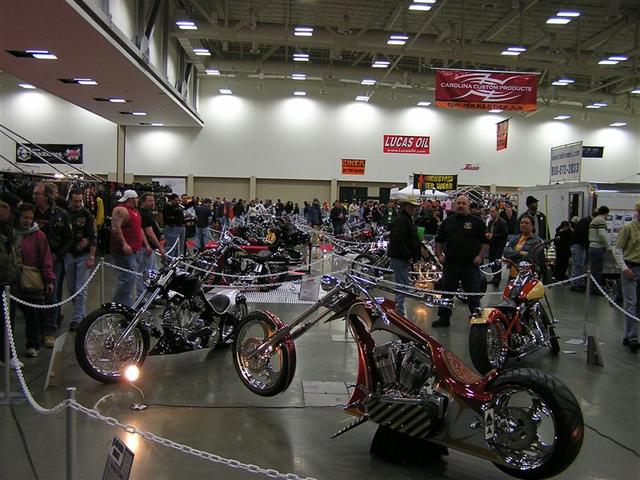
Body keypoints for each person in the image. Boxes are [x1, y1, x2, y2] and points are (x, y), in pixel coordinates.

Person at [433, 195, 489, 327]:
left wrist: (480, 257)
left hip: (470, 265)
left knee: (473, 293)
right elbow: (439, 240)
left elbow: (485, 242)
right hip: (451, 264)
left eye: (464, 203)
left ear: (468, 205)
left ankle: (476, 318)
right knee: (446, 293)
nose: (461, 205)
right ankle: (444, 318)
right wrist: (439, 256)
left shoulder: (477, 222)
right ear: (454, 205)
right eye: (459, 203)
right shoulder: (448, 221)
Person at [33, 182, 73, 341]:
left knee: (53, 294)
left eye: (38, 194)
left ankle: (49, 329)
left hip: (55, 260)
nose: (34, 196)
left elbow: (68, 238)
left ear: (47, 196)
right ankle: (37, 327)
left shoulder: (61, 214)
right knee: (35, 294)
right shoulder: (31, 213)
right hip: (33, 261)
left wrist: (59, 255)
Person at [14, 203, 56, 357]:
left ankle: (33, 344)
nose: (28, 221)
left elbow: (45, 258)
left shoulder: (39, 236)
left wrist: (49, 279)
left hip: (31, 279)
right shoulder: (11, 233)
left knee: (33, 314)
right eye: (25, 218)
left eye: (30, 218)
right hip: (13, 279)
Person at [110, 190, 151, 306]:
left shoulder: (135, 211)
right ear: (132, 199)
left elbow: (139, 229)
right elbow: (115, 228)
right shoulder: (121, 210)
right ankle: (118, 304)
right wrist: (124, 244)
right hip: (125, 252)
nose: (138, 200)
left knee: (131, 279)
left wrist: (146, 244)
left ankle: (126, 304)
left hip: (135, 250)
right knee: (127, 279)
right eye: (136, 198)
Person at [65, 189, 97, 332]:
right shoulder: (64, 214)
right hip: (68, 254)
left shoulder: (87, 215)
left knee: (80, 288)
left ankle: (77, 318)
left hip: (84, 255)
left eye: (80, 201)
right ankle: (81, 313)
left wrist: (91, 256)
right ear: (70, 201)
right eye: (75, 201)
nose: (78, 204)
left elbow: (94, 235)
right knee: (72, 288)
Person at [0, 192, 25, 367]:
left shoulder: (9, 228)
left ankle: (7, 354)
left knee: (8, 319)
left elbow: (15, 252)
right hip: (4, 278)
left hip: (9, 280)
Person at [612, 201, 640, 351]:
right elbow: (617, 249)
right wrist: (624, 268)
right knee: (631, 303)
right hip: (631, 268)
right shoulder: (628, 228)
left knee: (638, 304)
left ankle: (630, 334)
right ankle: (632, 336)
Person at [387, 197, 421, 316]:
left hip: (401, 257)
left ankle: (399, 309)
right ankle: (398, 311)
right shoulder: (403, 220)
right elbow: (398, 240)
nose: (414, 209)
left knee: (402, 284)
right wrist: (408, 255)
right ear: (405, 207)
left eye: (415, 207)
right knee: (402, 285)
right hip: (400, 257)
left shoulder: (406, 219)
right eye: (411, 207)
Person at [138, 193, 165, 282]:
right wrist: (160, 248)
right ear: (143, 202)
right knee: (145, 272)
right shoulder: (143, 214)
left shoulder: (147, 213)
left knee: (153, 271)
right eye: (149, 201)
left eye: (153, 201)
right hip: (145, 249)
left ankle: (151, 289)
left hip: (150, 248)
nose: (152, 203)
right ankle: (143, 291)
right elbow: (149, 233)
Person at [588, 206, 610, 295]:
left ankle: (593, 287)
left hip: (592, 246)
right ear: (606, 213)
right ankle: (596, 288)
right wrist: (607, 245)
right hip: (598, 247)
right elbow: (602, 234)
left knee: (594, 269)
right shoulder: (601, 220)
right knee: (597, 270)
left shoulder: (595, 219)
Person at [570, 212, 592, 291]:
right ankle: (575, 283)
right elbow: (583, 235)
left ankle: (580, 282)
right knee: (578, 264)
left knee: (580, 265)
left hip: (579, 245)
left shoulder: (584, 221)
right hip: (579, 245)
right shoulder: (586, 222)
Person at [486, 206, 508, 286]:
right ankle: (495, 276)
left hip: (499, 245)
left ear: (497, 211)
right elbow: (489, 231)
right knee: (491, 261)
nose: (491, 213)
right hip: (492, 244)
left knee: (497, 261)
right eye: (490, 211)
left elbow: (504, 234)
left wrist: (493, 235)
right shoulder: (490, 222)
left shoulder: (502, 222)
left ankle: (497, 278)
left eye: (493, 211)